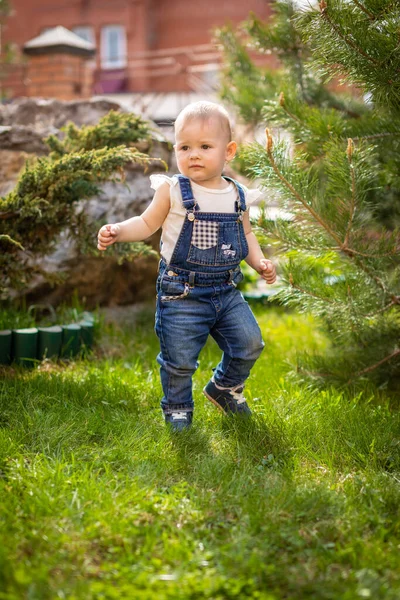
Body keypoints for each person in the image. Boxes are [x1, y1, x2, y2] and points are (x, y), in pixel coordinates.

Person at [97, 101, 276, 431]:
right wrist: (119, 230)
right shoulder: (173, 190)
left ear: (229, 150)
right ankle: (178, 407)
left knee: (250, 343)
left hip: (225, 289)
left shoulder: (238, 195)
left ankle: (224, 387)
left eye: (205, 146)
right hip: (181, 291)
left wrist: (259, 261)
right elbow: (147, 223)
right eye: (184, 146)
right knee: (179, 360)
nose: (194, 154)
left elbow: (246, 234)